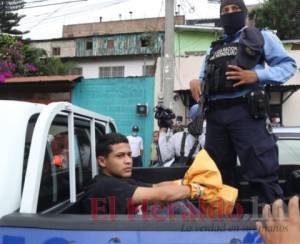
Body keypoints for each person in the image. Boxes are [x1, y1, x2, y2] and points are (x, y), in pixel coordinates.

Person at [189, 0, 297, 204]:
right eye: (225, 10)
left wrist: (256, 76)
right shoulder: (214, 48)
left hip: (246, 113)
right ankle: (221, 229)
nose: (230, 13)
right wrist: (196, 82)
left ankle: (278, 229)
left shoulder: (261, 36)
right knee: (217, 178)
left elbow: (289, 65)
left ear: (245, 14)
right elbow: (204, 80)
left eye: (235, 9)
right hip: (216, 119)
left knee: (262, 173)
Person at [82, 133, 203, 215]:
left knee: (179, 201)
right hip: (115, 240)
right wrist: (197, 190)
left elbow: (156, 187)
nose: (128, 160)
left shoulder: (119, 179)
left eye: (129, 155)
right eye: (120, 156)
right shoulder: (105, 185)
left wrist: (186, 182)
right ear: (102, 161)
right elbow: (162, 195)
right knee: (176, 206)